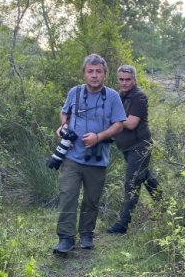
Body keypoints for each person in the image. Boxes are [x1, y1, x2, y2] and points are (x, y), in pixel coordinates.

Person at [52, 54, 127, 254]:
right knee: (68, 195)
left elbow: (119, 124)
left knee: (91, 199)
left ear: (105, 74)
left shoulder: (112, 96)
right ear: (84, 74)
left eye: (98, 72)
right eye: (90, 71)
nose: (94, 76)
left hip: (97, 158)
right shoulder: (74, 92)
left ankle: (86, 234)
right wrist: (64, 126)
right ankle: (66, 238)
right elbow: (64, 113)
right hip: (72, 157)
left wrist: (98, 137)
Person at [107, 65, 161, 235]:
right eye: (121, 79)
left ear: (134, 80)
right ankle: (166, 207)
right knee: (144, 177)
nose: (124, 83)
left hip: (140, 146)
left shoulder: (139, 97)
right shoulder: (118, 96)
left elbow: (130, 123)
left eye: (128, 79)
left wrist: (112, 118)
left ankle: (123, 223)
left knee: (132, 182)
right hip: (126, 147)